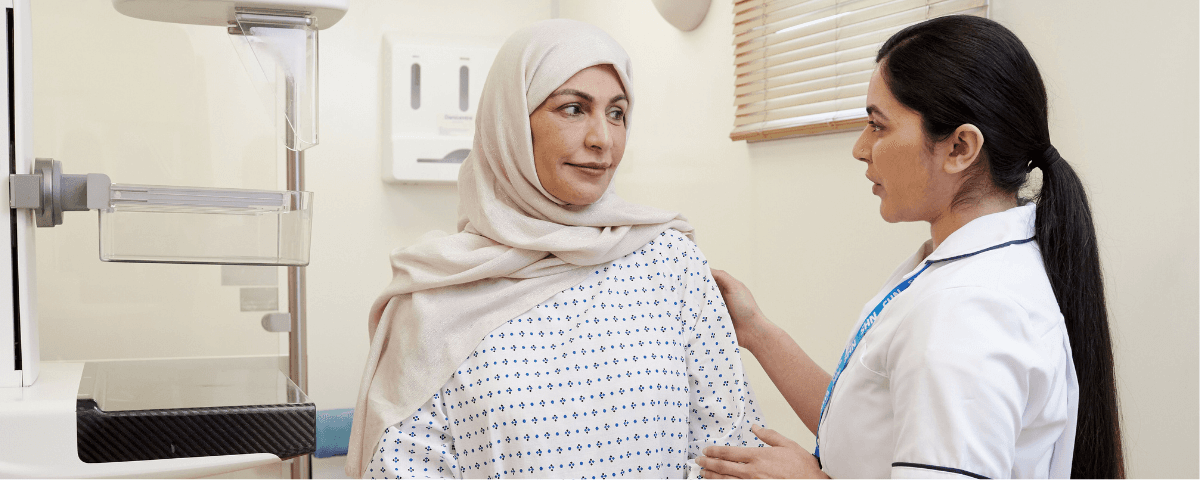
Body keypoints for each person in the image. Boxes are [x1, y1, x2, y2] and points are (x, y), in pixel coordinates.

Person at [696, 15, 1123, 479]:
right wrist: (756, 331)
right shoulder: (966, 271)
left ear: (960, 147)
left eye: (877, 126)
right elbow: (874, 430)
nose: (861, 148)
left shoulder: (967, 310)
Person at [346, 19, 766, 479]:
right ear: (511, 124)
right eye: (573, 109)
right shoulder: (435, 295)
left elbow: (732, 451)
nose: (602, 138)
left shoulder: (669, 261)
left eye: (617, 113)